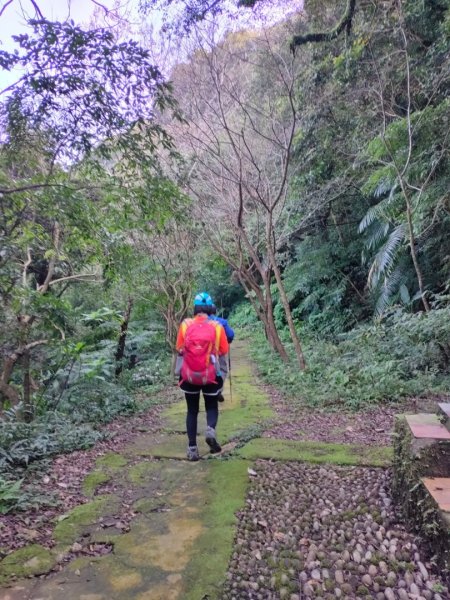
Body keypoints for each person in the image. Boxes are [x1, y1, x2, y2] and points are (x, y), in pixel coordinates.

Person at [176, 292, 229, 461]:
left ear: (195, 308)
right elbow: (223, 351)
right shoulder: (217, 327)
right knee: (211, 406)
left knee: (192, 410)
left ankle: (192, 449)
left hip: (189, 376)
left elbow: (179, 348)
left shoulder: (185, 325)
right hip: (210, 377)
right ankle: (210, 431)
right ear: (210, 308)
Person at [209, 304, 234, 402]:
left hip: (205, 353)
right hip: (219, 351)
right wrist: (229, 340)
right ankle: (218, 389)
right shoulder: (222, 322)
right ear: (215, 311)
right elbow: (230, 334)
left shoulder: (201, 323)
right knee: (222, 370)